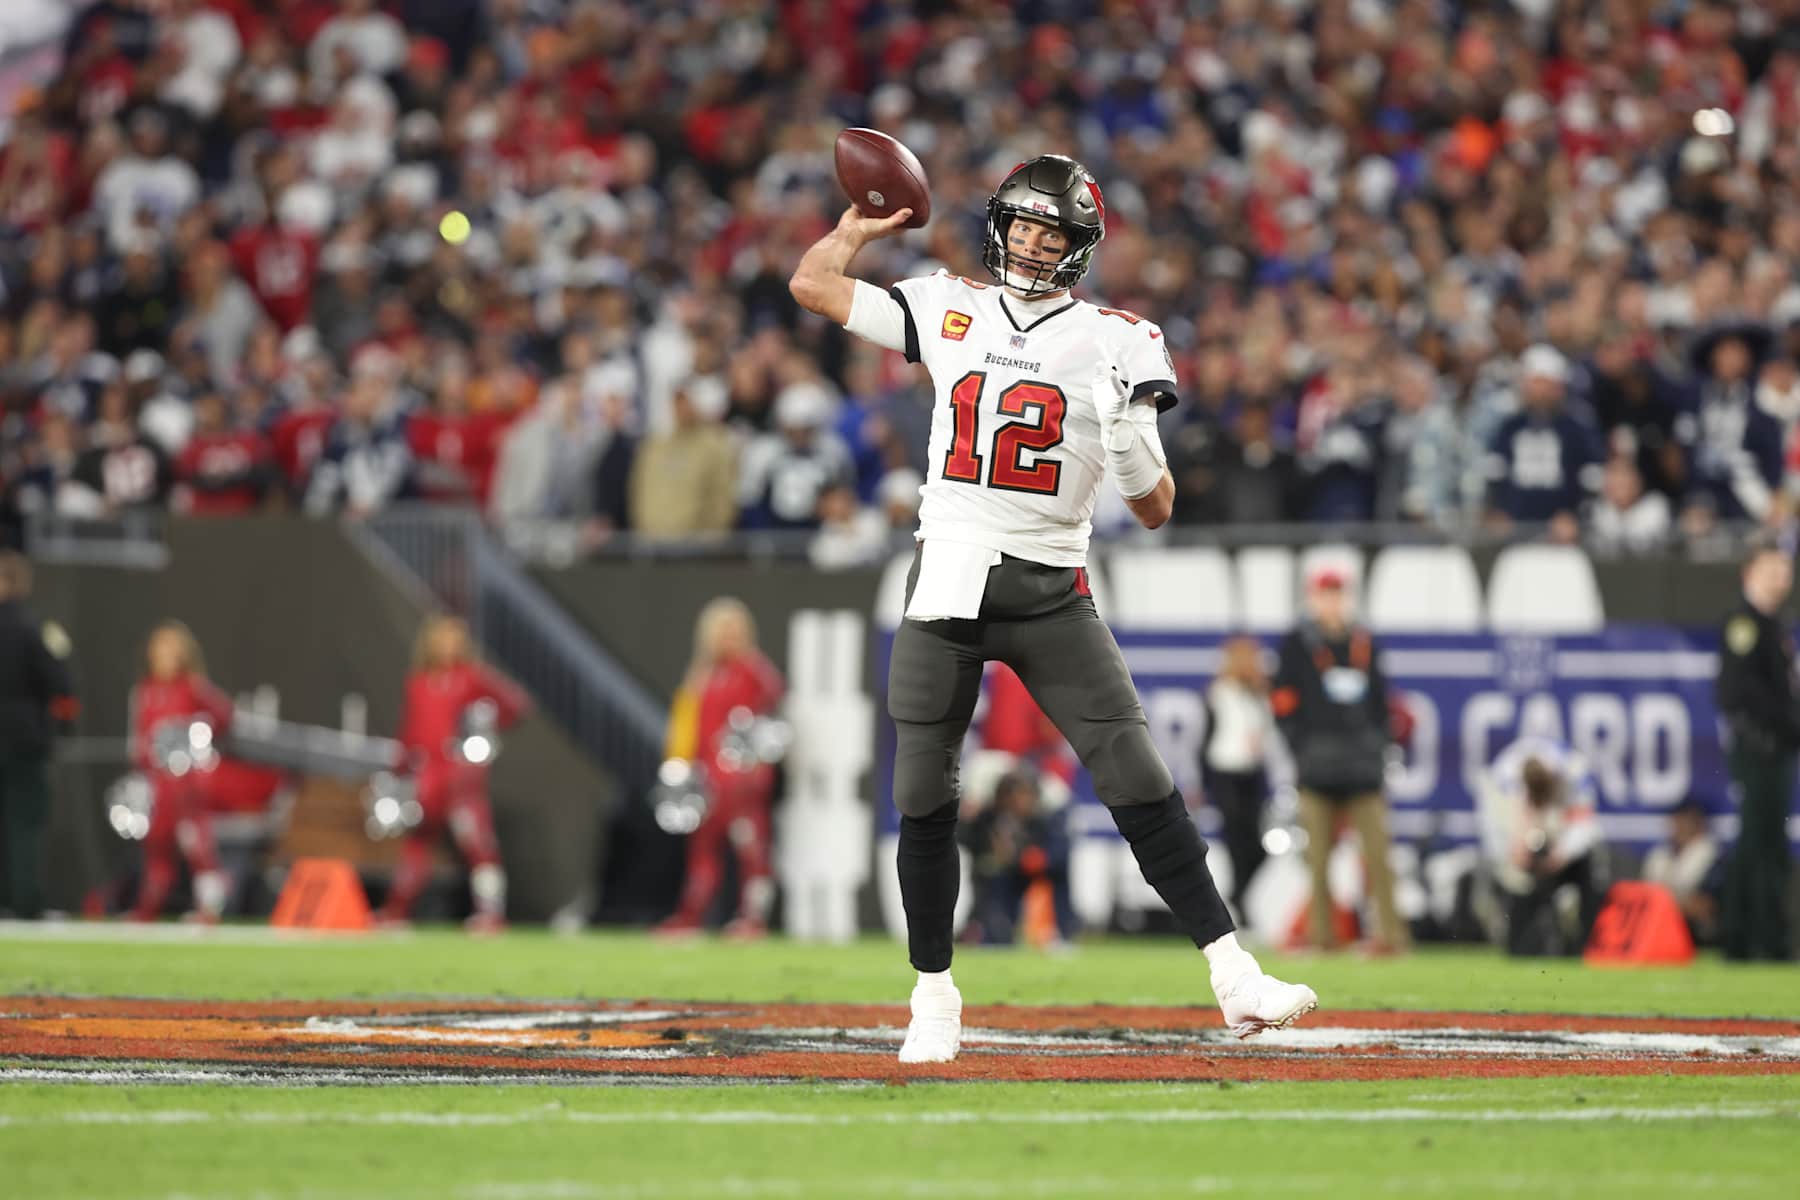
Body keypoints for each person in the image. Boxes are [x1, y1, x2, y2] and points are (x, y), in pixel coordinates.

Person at [789, 154, 1315, 1063]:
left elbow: (1156, 508)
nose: (1032, 243)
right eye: (1023, 225)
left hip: (1048, 586)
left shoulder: (1120, 338)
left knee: (1137, 774)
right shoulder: (949, 303)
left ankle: (1236, 977)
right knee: (923, 793)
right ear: (1001, 226)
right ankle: (933, 998)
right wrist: (860, 227)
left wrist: (1121, 435)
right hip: (950, 571)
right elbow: (812, 283)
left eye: (1052, 231)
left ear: (1077, 247)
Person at [1272, 567, 1408, 954]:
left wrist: (1378, 742)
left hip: (1363, 768)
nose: (1331, 602)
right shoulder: (1298, 643)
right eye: (1324, 594)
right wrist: (1300, 744)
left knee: (1378, 857)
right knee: (1317, 861)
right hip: (1317, 767)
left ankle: (1391, 936)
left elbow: (1382, 703)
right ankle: (1322, 937)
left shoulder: (1363, 642)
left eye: (1337, 594)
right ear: (1312, 598)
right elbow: (1282, 701)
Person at [383, 615, 530, 932]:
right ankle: (397, 910)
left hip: (460, 777)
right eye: (443, 638)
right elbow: (410, 730)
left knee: (477, 842)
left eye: (455, 639)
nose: (449, 645)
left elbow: (515, 705)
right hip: (426, 776)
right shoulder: (419, 682)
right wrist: (399, 766)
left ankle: (491, 914)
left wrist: (484, 732)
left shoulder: (472, 678)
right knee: (417, 842)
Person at [659, 598, 786, 938]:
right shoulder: (704, 675)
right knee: (703, 852)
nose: (727, 637)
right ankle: (691, 915)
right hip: (706, 780)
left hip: (741, 782)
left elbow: (770, 721)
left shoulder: (754, 672)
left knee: (752, 849)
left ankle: (753, 919)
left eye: (734, 630)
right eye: (721, 630)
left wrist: (752, 770)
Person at [1714, 539, 1800, 961]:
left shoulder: (1772, 624)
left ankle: (1766, 937)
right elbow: (1735, 693)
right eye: (1772, 569)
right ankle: (1745, 939)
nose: (1782, 578)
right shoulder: (1744, 623)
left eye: (1785, 569)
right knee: (1756, 843)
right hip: (1759, 749)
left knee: (1770, 842)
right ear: (1749, 573)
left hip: (1778, 749)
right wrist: (1782, 726)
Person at [129, 621, 233, 922]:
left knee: (197, 847)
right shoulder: (147, 690)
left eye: (169, 648)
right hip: (158, 785)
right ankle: (146, 911)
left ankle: (210, 911)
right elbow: (142, 737)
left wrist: (197, 743)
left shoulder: (193, 688)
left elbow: (223, 717)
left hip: (187, 785)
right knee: (157, 848)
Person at [1477, 737, 1604, 956]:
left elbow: (1586, 826)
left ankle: (1586, 944)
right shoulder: (1504, 778)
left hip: (1563, 845)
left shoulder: (1573, 770)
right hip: (1521, 845)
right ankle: (1523, 944)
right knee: (1516, 886)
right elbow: (1492, 829)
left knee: (1592, 868)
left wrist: (1562, 853)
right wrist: (1514, 850)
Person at [0, 552, 76, 919]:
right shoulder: (34, 630)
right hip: (24, 741)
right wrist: (62, 728)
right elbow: (61, 687)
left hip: (19, 740)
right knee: (24, 824)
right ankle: (25, 903)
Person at [1202, 635, 1274, 917]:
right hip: (1225, 773)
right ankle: (1241, 908)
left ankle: (1238, 894)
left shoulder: (1259, 695)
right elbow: (1207, 738)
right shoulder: (1220, 693)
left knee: (1257, 846)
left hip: (1251, 774)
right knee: (1235, 841)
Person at [959, 771, 1071, 947]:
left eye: (1025, 795)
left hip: (1031, 871)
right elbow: (966, 839)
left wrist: (1034, 858)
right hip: (999, 878)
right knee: (992, 881)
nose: (1020, 801)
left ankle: (1059, 932)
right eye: (1014, 796)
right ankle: (984, 931)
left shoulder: (1043, 817)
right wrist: (967, 820)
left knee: (1058, 877)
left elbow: (1058, 852)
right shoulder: (988, 817)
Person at [1642, 801, 1723, 945]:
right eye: (1675, 822)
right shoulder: (1660, 855)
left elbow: (1704, 906)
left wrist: (1663, 907)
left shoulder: (1710, 856)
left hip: (1695, 932)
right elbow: (1643, 897)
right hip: (1657, 929)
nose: (1678, 828)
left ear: (1698, 825)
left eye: (1684, 822)